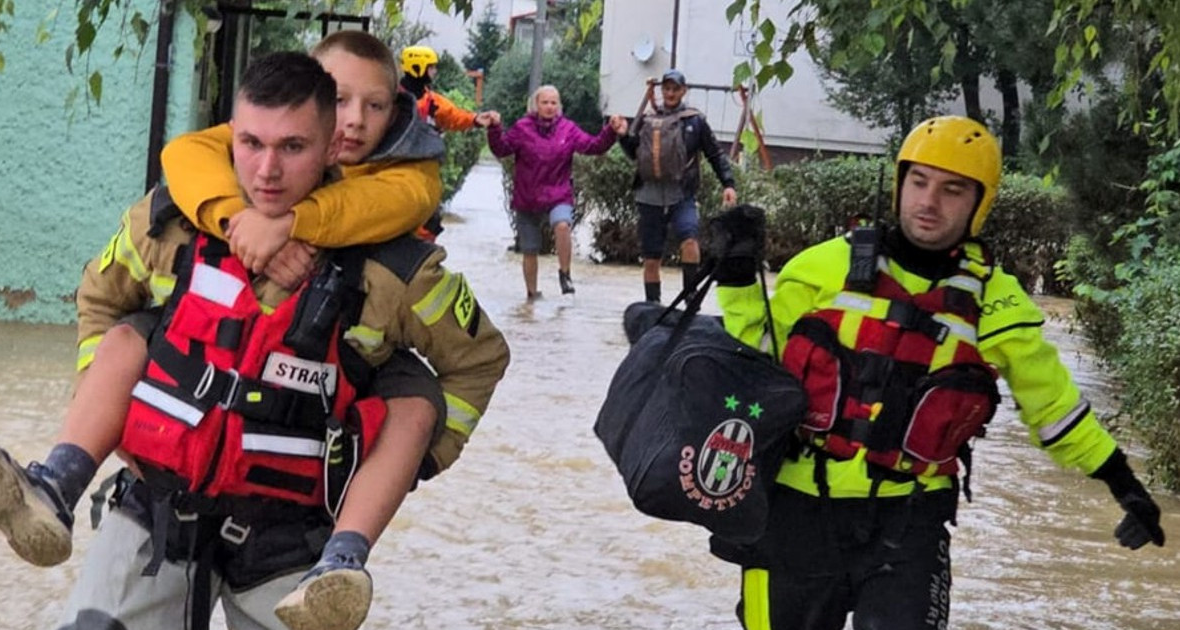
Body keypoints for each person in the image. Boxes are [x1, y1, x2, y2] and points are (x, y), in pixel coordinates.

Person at [0, 47, 510, 630]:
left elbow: (480, 359)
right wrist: (109, 418)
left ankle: (345, 559)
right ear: (230, 138)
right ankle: (56, 483)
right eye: (251, 145)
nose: (267, 170)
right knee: (127, 337)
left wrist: (410, 465)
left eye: (293, 147)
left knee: (415, 398)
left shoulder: (395, 266)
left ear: (328, 149)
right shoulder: (173, 219)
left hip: (293, 540)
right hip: (158, 508)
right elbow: (100, 297)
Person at [708, 115, 1166, 629]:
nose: (928, 203)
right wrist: (737, 281)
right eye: (918, 182)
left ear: (979, 204)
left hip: (909, 523)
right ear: (900, 183)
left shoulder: (998, 304)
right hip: (796, 513)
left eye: (952, 190)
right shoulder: (820, 267)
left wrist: (1124, 485)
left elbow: (1056, 410)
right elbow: (754, 365)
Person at [485, 85, 622, 299]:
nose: (549, 107)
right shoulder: (522, 128)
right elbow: (501, 149)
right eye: (545, 102)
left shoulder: (568, 129)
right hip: (527, 197)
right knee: (530, 250)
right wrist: (494, 128)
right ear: (535, 105)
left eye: (553, 103)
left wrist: (611, 131)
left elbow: (593, 146)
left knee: (562, 225)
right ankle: (531, 295)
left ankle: (565, 274)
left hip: (558, 194)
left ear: (559, 106)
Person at [613, 68, 737, 304]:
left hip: (682, 193)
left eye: (675, 89)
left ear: (683, 91)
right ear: (662, 90)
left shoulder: (695, 121)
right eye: (666, 88)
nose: (670, 93)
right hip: (648, 195)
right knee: (651, 258)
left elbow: (714, 154)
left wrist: (728, 184)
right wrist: (621, 135)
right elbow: (634, 154)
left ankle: (690, 295)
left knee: (690, 240)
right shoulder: (649, 118)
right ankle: (653, 305)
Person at [398, 44, 500, 241]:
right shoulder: (390, 97)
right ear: (417, 67)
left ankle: (421, 261)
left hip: (424, 170)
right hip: (395, 168)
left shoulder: (433, 102)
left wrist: (476, 120)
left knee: (429, 224)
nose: (434, 72)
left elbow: (453, 116)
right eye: (431, 67)